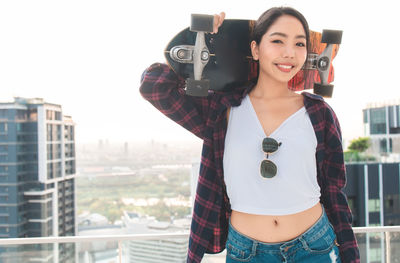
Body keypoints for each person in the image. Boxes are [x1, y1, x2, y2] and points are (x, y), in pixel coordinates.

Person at [140, 7, 360, 263]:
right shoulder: (221, 110)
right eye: (277, 41)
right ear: (255, 49)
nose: (289, 52)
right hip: (247, 252)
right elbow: (153, 86)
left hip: (315, 246)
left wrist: (351, 256)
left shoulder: (319, 113)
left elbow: (335, 193)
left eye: (299, 43)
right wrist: (203, 39)